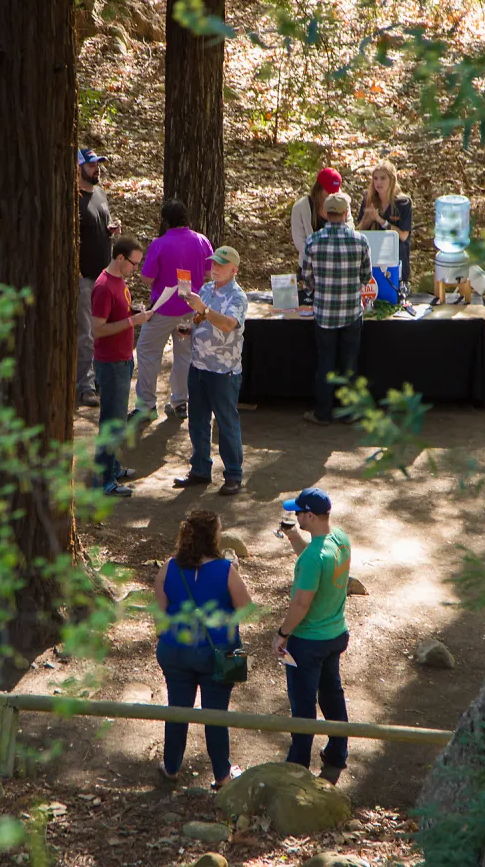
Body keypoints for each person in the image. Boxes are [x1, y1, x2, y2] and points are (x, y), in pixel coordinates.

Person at [153, 509, 253, 789]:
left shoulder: (168, 566)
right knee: (216, 714)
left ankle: (171, 766)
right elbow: (246, 610)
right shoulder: (226, 570)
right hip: (218, 654)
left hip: (175, 650)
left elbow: (160, 615)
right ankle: (222, 774)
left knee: (177, 709)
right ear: (213, 537)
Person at [271, 488, 351, 785]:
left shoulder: (313, 558)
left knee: (303, 703)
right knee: (332, 694)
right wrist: (293, 536)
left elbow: (301, 603)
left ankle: (298, 763)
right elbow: (317, 558)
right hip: (336, 633)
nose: (295, 516)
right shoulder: (339, 539)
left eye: (299, 513)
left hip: (308, 643)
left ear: (311, 516)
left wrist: (282, 633)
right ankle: (338, 752)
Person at [175, 246, 249, 496]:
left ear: (234, 270)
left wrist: (203, 310)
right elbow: (200, 319)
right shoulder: (206, 289)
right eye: (213, 264)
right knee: (197, 420)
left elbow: (229, 324)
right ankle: (200, 469)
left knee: (226, 423)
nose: (214, 268)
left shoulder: (238, 297)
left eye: (221, 265)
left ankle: (233, 475)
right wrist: (190, 328)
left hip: (223, 371)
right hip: (198, 367)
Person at [133, 200, 213, 421]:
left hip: (163, 310)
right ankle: (180, 402)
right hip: (190, 311)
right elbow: (208, 273)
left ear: (165, 221)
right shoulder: (202, 241)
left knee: (148, 353)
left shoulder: (159, 244)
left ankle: (147, 405)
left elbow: (147, 278)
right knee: (184, 356)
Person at [300, 192, 372, 425]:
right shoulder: (360, 241)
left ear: (325, 214)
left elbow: (307, 278)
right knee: (349, 364)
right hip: (352, 312)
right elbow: (366, 276)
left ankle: (322, 413)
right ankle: (350, 412)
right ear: (346, 213)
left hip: (324, 314)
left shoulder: (312, 241)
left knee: (325, 364)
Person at [91, 237, 154, 497]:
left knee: (117, 418)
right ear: (120, 258)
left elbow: (119, 314)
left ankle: (113, 467)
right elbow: (97, 328)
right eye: (134, 263)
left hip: (124, 358)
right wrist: (133, 321)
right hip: (111, 362)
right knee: (112, 422)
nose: (136, 269)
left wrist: (132, 312)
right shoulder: (104, 287)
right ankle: (105, 480)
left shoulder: (120, 283)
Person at [78, 148, 122, 409]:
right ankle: (85, 386)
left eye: (99, 164)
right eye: (92, 165)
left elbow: (96, 227)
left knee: (105, 330)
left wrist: (110, 230)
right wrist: (76, 271)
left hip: (105, 276)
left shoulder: (99, 193)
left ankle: (101, 380)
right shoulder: (72, 198)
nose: (97, 169)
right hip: (84, 278)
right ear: (78, 168)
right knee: (86, 332)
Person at [355, 160, 412, 290]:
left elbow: (403, 235)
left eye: (382, 178)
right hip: (372, 254)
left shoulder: (403, 202)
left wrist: (381, 221)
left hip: (396, 254)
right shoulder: (368, 199)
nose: (378, 183)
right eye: (375, 178)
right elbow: (359, 231)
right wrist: (368, 219)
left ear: (392, 180)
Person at [291, 168, 342, 267]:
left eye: (335, 192)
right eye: (328, 191)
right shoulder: (300, 207)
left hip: (338, 263)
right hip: (312, 263)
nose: (332, 195)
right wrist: (319, 258)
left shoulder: (342, 203)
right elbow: (299, 240)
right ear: (319, 188)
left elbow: (349, 225)